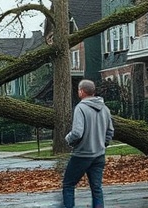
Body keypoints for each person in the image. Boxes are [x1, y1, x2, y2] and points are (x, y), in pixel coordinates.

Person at [62, 79, 115, 208]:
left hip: (82, 154)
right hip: (99, 155)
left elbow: (77, 133)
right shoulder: (105, 109)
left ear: (82, 91)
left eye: (79, 90)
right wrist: (103, 144)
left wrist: (68, 139)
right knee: (96, 188)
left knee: (68, 185)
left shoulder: (81, 108)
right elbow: (110, 131)